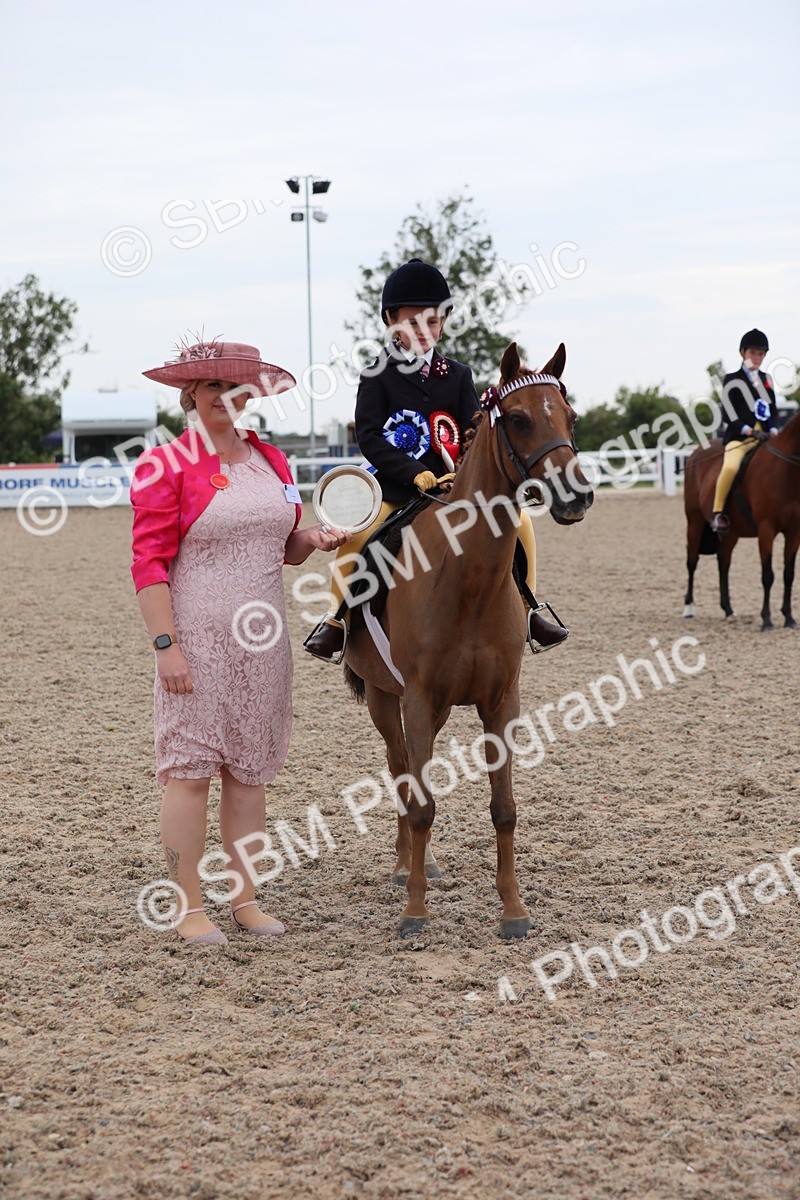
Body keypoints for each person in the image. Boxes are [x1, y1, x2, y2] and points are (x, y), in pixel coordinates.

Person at [132, 338, 349, 945]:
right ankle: (188, 908)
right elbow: (148, 564)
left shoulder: (271, 460)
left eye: (236, 388)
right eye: (213, 387)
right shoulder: (165, 464)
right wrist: (166, 646)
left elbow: (284, 547)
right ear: (191, 393)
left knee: (249, 774)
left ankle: (246, 900)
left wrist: (312, 539)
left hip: (263, 643)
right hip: (196, 640)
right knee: (190, 772)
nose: (226, 398)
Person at [303, 258, 567, 662]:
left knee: (522, 523)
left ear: (443, 324)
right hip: (396, 487)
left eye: (432, 321)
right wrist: (414, 473)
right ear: (391, 321)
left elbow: (474, 432)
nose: (423, 330)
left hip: (455, 486)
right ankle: (337, 619)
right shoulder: (377, 374)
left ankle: (530, 609)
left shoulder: (458, 375)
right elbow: (370, 437)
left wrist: (461, 474)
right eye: (412, 322)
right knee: (361, 534)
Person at [711, 328, 779, 532]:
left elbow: (773, 409)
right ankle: (718, 512)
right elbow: (728, 413)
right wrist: (748, 430)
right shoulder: (732, 379)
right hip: (740, 438)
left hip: (765, 438)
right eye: (752, 353)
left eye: (760, 353)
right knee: (731, 467)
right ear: (743, 353)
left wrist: (773, 429)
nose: (756, 357)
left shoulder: (766, 379)